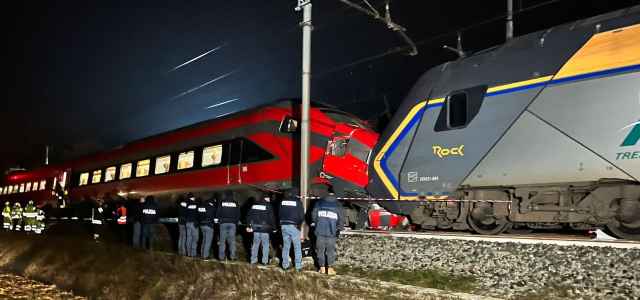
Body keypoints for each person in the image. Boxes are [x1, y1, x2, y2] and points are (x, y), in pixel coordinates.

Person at [311, 191, 344, 275]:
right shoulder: (338, 205)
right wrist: (338, 229)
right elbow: (341, 220)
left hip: (319, 231)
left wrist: (317, 224)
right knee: (330, 251)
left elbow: (313, 216)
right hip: (332, 232)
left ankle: (321, 268)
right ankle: (329, 269)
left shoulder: (319, 203)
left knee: (320, 251)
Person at [279, 188, 305, 271]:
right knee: (297, 247)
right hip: (293, 226)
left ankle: (285, 265)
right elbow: (301, 216)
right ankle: (298, 267)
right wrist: (299, 226)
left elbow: (279, 213)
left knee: (286, 246)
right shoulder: (297, 202)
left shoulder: (282, 201)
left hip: (283, 225)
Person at [247, 194, 276, 265]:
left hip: (255, 229)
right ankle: (265, 261)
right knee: (265, 245)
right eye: (269, 199)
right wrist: (274, 228)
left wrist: (249, 226)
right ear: (266, 199)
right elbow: (271, 218)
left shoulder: (254, 205)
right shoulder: (268, 206)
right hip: (265, 229)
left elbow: (248, 216)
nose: (269, 200)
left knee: (255, 244)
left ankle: (253, 260)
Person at [216, 190, 240, 261]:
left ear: (225, 195)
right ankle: (232, 257)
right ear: (232, 195)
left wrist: (219, 221)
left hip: (223, 223)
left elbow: (218, 213)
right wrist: (235, 222)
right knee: (232, 241)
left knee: (222, 241)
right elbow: (238, 214)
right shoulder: (235, 203)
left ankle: (221, 257)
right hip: (232, 224)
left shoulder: (222, 202)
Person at [198, 194, 217, 260]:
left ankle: (202, 254)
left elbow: (199, 215)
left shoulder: (201, 206)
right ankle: (205, 256)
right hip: (209, 225)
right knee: (208, 241)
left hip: (202, 225)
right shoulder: (211, 206)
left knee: (204, 240)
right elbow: (214, 215)